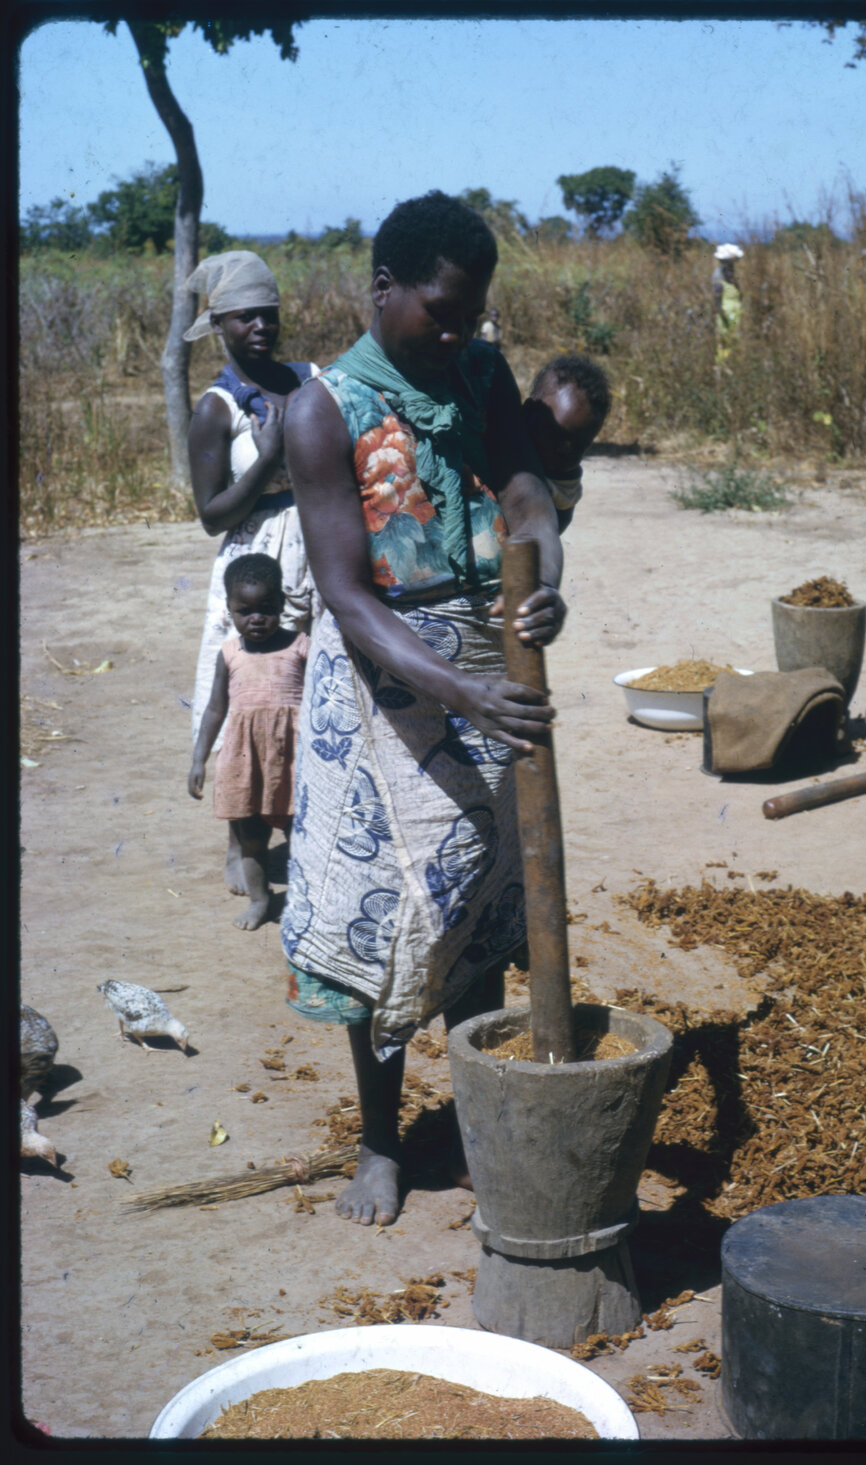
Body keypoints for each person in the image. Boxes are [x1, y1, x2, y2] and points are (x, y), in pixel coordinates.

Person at [281, 190, 566, 1228]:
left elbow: (524, 484)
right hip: (382, 695)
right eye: (439, 313)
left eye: (471, 315)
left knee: (480, 914)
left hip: (489, 675)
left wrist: (543, 558)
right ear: (382, 289)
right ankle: (379, 1140)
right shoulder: (322, 410)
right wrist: (460, 693)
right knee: (387, 922)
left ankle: (477, 1115)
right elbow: (349, 595)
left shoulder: (481, 376)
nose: (457, 333)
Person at [185, 250, 320, 896]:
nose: (261, 328)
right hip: (252, 554)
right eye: (245, 319)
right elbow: (211, 514)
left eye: (268, 315)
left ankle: (306, 830)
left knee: (301, 682)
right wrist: (267, 458)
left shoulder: (307, 380)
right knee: (246, 689)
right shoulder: (217, 408)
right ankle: (241, 839)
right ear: (219, 325)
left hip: (316, 547)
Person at [189, 553, 309, 932]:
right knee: (252, 838)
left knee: (301, 836)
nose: (256, 619)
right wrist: (199, 760)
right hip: (246, 761)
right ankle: (262, 900)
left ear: (283, 605)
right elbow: (214, 710)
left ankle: (307, 899)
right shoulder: (229, 654)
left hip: (293, 761)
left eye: (267, 609)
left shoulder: (301, 646)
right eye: (245, 611)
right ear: (229, 609)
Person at [523, 354, 610, 532]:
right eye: (557, 434)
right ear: (529, 412)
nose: (564, 449)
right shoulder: (503, 438)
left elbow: (556, 527)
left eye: (579, 445)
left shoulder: (566, 483)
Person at [712, 243, 744, 364]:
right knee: (724, 341)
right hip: (727, 313)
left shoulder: (729, 274)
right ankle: (721, 366)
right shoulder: (720, 276)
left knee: (732, 340)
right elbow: (717, 297)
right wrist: (721, 311)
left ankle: (729, 364)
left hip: (733, 312)